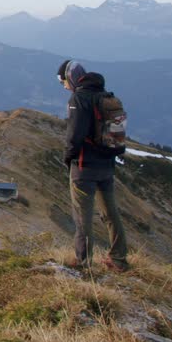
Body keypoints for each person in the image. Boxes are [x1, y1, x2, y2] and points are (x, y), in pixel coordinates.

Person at [58, 59, 129, 272]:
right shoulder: (104, 96)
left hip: (84, 166)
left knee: (82, 216)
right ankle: (119, 259)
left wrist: (68, 157)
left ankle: (83, 262)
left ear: (70, 78)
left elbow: (75, 134)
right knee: (110, 213)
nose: (63, 86)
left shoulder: (78, 99)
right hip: (107, 164)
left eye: (63, 81)